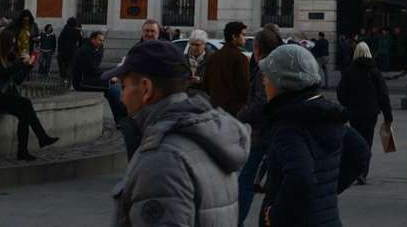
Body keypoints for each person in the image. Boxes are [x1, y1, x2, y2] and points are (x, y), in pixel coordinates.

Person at [108, 39, 249, 227]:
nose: (121, 96)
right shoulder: (210, 136)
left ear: (145, 88)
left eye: (124, 86)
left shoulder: (163, 158)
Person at [257, 43, 370, 227]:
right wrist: (325, 191)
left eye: (267, 77)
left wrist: (278, 213)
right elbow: (361, 152)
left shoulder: (288, 124)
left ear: (282, 83)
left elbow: (301, 176)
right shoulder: (326, 114)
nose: (264, 82)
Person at [0, 28, 59, 160]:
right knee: (26, 103)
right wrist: (20, 64)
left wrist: (28, 66)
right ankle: (41, 138)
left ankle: (24, 151)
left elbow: (16, 80)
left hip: (5, 94)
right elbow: (1, 73)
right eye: (11, 45)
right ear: (5, 43)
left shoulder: (8, 57)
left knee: (25, 115)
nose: (12, 48)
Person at [236, 26, 284, 224]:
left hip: (263, 133)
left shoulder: (264, 69)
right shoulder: (278, 66)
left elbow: (262, 102)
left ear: (258, 48)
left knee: (246, 180)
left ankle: (236, 221)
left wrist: (240, 115)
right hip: (274, 132)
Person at [335, 41, 392, 182]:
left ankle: (356, 169)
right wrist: (388, 115)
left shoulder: (349, 71)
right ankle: (363, 171)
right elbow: (383, 95)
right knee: (367, 141)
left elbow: (341, 92)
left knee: (356, 140)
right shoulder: (374, 72)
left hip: (354, 112)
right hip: (370, 112)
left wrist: (347, 104)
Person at [73, 29, 126, 125]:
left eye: (102, 40)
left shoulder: (97, 48)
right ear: (92, 39)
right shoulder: (85, 51)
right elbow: (93, 69)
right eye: (99, 40)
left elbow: (96, 68)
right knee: (113, 90)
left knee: (115, 89)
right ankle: (120, 121)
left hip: (91, 78)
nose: (101, 42)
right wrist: (109, 77)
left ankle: (122, 119)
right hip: (83, 81)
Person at [204, 21, 250, 115]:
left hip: (215, 108)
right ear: (234, 36)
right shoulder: (240, 58)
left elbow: (206, 84)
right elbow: (244, 87)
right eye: (243, 35)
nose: (245, 38)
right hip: (234, 111)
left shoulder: (214, 56)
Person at [57, 17, 83, 84]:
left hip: (63, 51)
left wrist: (59, 50)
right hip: (72, 51)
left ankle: (63, 79)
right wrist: (78, 48)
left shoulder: (65, 30)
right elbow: (80, 41)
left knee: (63, 66)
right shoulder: (76, 31)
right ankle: (69, 80)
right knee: (70, 66)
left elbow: (60, 40)